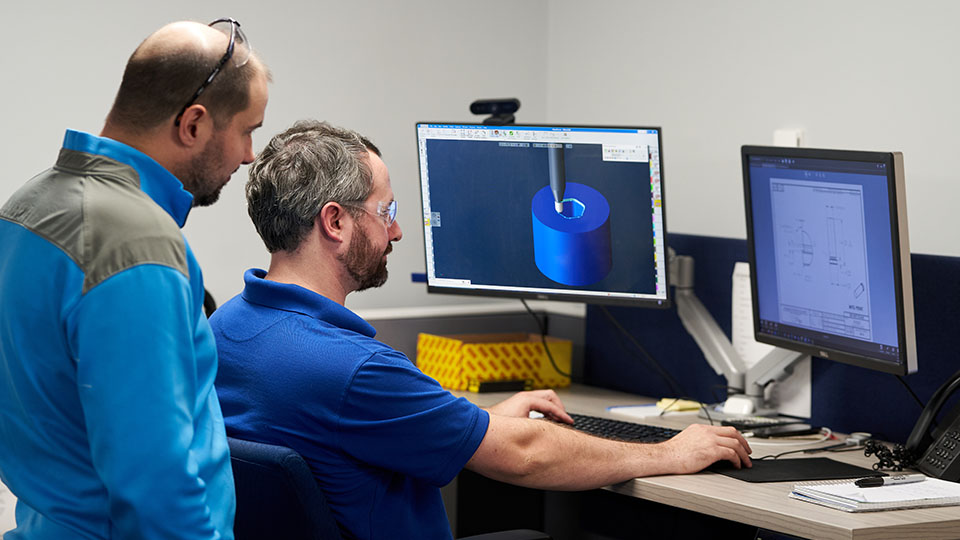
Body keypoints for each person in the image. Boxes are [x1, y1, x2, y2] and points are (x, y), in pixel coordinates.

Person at [210, 121, 751, 540]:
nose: (397, 231)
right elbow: (526, 455)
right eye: (386, 210)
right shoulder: (354, 369)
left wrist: (479, 420)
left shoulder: (223, 328)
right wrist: (669, 452)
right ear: (335, 222)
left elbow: (351, 423)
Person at [0, 19, 270, 540]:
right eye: (247, 130)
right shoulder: (136, 245)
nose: (249, 154)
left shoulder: (27, 208)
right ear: (193, 124)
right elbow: (155, 488)